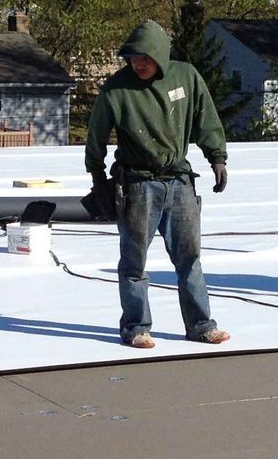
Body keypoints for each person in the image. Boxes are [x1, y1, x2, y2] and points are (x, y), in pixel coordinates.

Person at [84, 20, 231, 349]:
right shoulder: (116, 89)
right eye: (133, 58)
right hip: (138, 185)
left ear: (160, 56)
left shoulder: (186, 77)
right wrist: (98, 178)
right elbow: (96, 137)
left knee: (189, 259)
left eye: (145, 58)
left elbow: (206, 120)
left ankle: (201, 325)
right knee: (134, 261)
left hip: (179, 181)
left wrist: (217, 158)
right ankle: (136, 327)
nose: (138, 64)